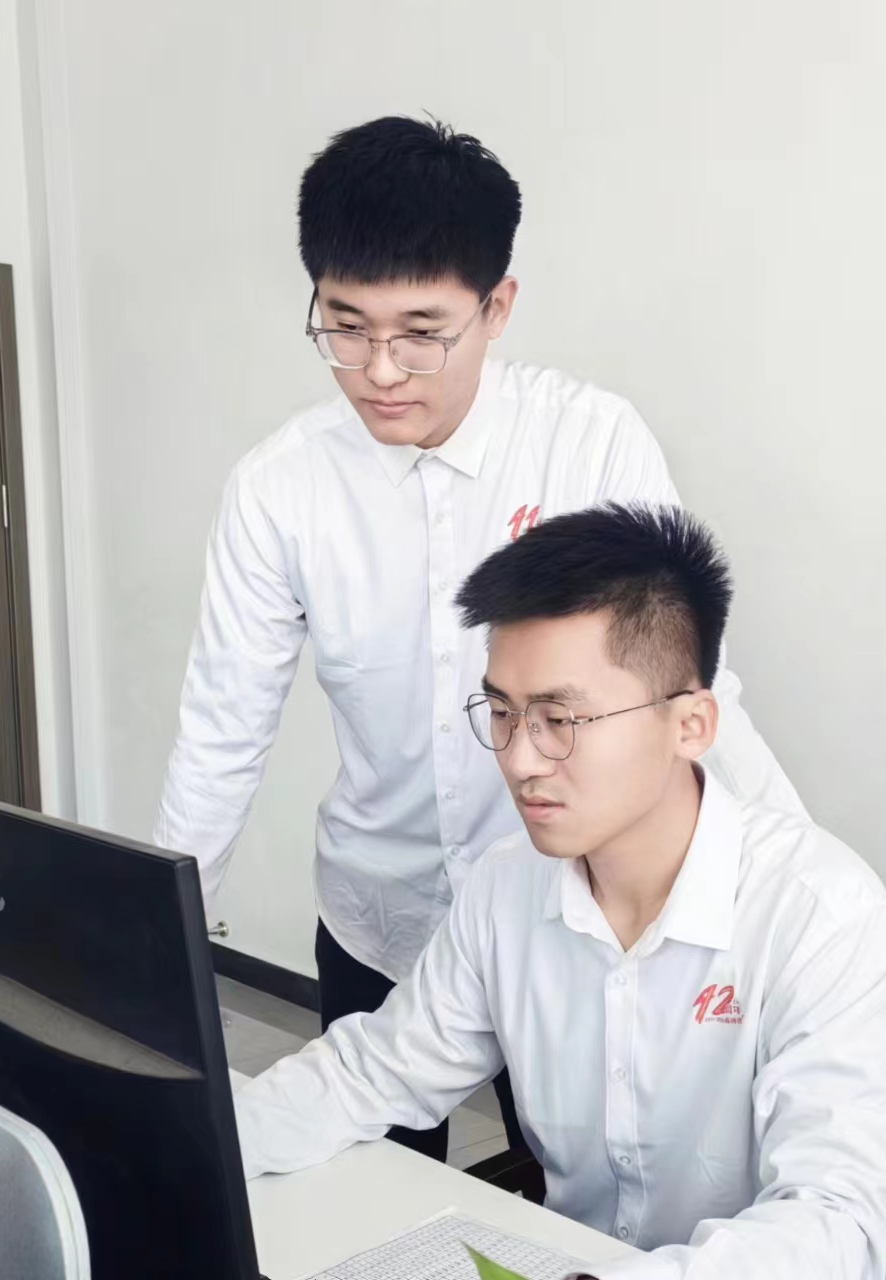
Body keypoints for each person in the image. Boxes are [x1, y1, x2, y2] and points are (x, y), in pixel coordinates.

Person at [152, 117, 809, 1161]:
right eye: (344, 326)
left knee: (576, 1195)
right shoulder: (280, 488)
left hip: (565, 915)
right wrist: (150, 948)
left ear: (496, 307)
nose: (378, 370)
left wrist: (810, 896)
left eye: (421, 332)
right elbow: (222, 730)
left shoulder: (587, 443)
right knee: (359, 1186)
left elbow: (694, 692)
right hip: (378, 914)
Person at [234, 505, 886, 1279]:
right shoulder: (506, 885)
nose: (520, 759)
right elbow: (377, 1071)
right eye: (501, 712)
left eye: (559, 718)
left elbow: (833, 1220)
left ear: (691, 725)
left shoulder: (821, 914)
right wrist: (194, 1142)